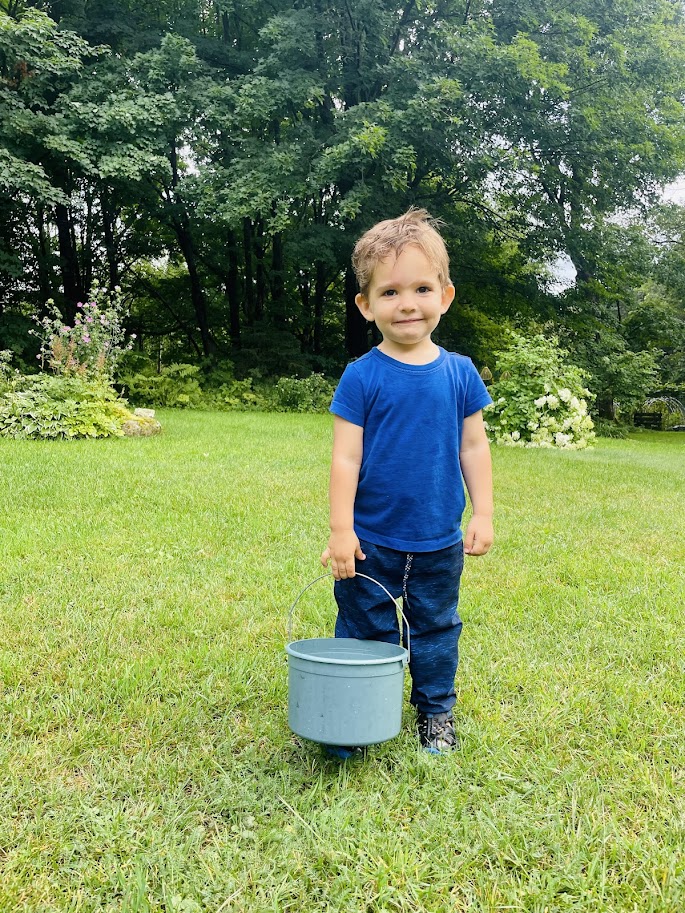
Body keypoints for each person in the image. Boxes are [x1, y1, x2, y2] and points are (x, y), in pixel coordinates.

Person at [320, 208, 494, 756]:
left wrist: (483, 513)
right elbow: (345, 460)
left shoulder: (461, 373)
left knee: (436, 630)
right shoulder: (362, 375)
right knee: (363, 629)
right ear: (366, 306)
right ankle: (354, 714)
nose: (407, 304)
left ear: (444, 295)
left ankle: (436, 714)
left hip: (439, 540)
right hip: (369, 542)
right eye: (390, 292)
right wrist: (340, 531)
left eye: (421, 288)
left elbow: (474, 446)